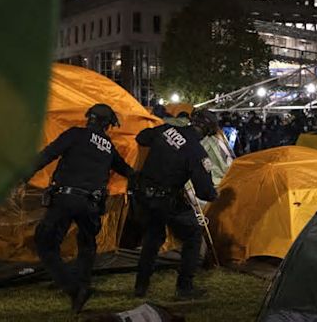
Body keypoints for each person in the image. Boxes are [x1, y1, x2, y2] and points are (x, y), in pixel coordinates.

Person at [27, 103, 134, 314]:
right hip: (92, 204)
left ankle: (72, 287)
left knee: (45, 243)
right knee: (87, 244)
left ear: (89, 118)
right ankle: (82, 283)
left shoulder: (75, 134)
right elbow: (125, 169)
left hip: (66, 199)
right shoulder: (108, 146)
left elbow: (48, 154)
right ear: (107, 125)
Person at [133, 109, 218, 299]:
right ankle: (184, 287)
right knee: (193, 236)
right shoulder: (197, 152)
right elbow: (205, 191)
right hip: (168, 200)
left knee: (153, 238)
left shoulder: (166, 130)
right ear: (207, 131)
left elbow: (142, 137)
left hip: (144, 196)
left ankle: (141, 285)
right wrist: (214, 194)